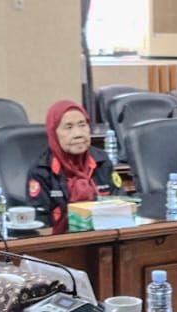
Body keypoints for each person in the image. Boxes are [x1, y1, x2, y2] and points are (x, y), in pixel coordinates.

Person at [24, 99, 121, 234]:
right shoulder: (41, 170)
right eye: (68, 127)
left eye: (82, 125)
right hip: (61, 241)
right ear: (54, 133)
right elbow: (40, 223)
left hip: (104, 235)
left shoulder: (102, 161)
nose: (78, 134)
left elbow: (121, 203)